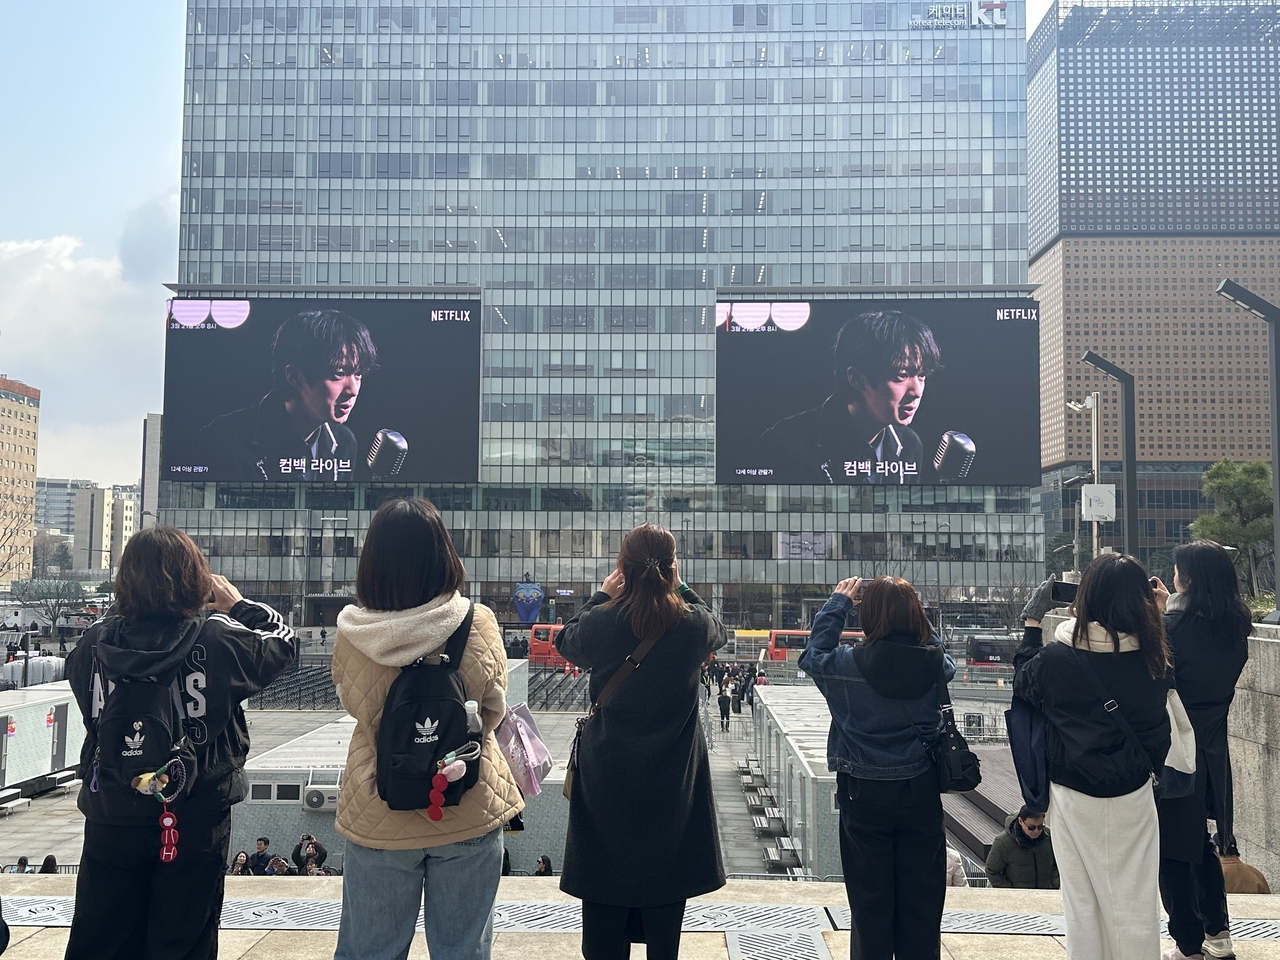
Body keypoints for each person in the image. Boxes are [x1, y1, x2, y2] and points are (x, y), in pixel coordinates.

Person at [63, 525, 296, 960]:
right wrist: (239, 605)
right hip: (193, 815)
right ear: (196, 578)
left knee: (102, 935)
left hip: (111, 812)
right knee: (185, 937)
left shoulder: (94, 644)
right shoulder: (217, 638)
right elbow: (283, 645)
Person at [332, 498, 523, 960]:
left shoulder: (353, 633)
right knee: (463, 949)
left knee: (370, 951)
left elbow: (356, 707)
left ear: (372, 563)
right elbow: (493, 710)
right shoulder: (477, 621)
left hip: (380, 806)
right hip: (467, 802)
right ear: (444, 555)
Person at [555, 523, 728, 960]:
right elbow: (718, 629)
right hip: (671, 788)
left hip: (607, 782)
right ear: (672, 569)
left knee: (603, 922)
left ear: (621, 569)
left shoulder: (603, 621)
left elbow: (565, 642)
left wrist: (601, 594)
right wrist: (681, 586)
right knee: (664, 923)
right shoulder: (692, 627)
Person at [1015, 554, 1171, 960]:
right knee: (1136, 900)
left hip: (1073, 789)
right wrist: (1159, 614)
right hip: (1133, 791)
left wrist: (1032, 626)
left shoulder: (1056, 657)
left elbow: (1023, 686)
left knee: (1081, 901)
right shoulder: (1155, 656)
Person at [799, 575, 955, 960]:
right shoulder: (935, 665)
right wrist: (916, 614)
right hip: (919, 790)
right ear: (916, 616)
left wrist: (838, 602)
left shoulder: (845, 666)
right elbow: (939, 651)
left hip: (862, 794)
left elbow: (811, 655)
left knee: (870, 906)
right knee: (921, 904)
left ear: (867, 617)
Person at [1158, 540, 1252, 960]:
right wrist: (1171, 607)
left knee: (1173, 851)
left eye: (1177, 571)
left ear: (1188, 578)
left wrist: (1163, 614)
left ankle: (1189, 944)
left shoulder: (1172, 628)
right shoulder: (1236, 627)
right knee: (1199, 845)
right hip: (1212, 749)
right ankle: (1218, 934)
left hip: (1176, 750)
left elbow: (1162, 677)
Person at [760, 310, 942, 485]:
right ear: (856, 379)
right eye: (901, 375)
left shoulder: (909, 445)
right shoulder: (787, 444)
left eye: (922, 375)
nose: (917, 391)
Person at [194, 309, 378, 481]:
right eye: (338, 374)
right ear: (294, 377)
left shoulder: (344, 442)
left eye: (358, 374)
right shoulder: (222, 442)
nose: (353, 390)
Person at [984, 806, 1060, 889]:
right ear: (1020, 821)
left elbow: (1058, 864)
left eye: (1040, 827)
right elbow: (992, 870)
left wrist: (1053, 885)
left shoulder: (1050, 836)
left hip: (1046, 896)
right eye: (1031, 827)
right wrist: (1011, 892)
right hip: (1016, 899)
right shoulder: (1003, 842)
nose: (1036, 831)